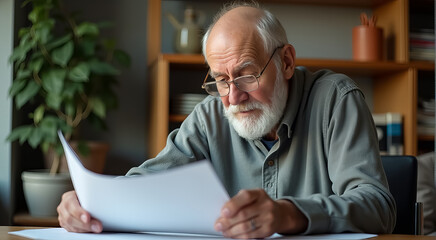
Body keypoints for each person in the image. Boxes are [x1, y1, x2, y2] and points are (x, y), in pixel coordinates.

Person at [57, 1, 396, 238]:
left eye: (247, 75)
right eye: (220, 80)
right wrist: (91, 204)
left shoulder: (335, 100)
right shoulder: (209, 117)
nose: (233, 98)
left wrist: (287, 214)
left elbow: (378, 207)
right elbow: (147, 183)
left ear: (287, 62)